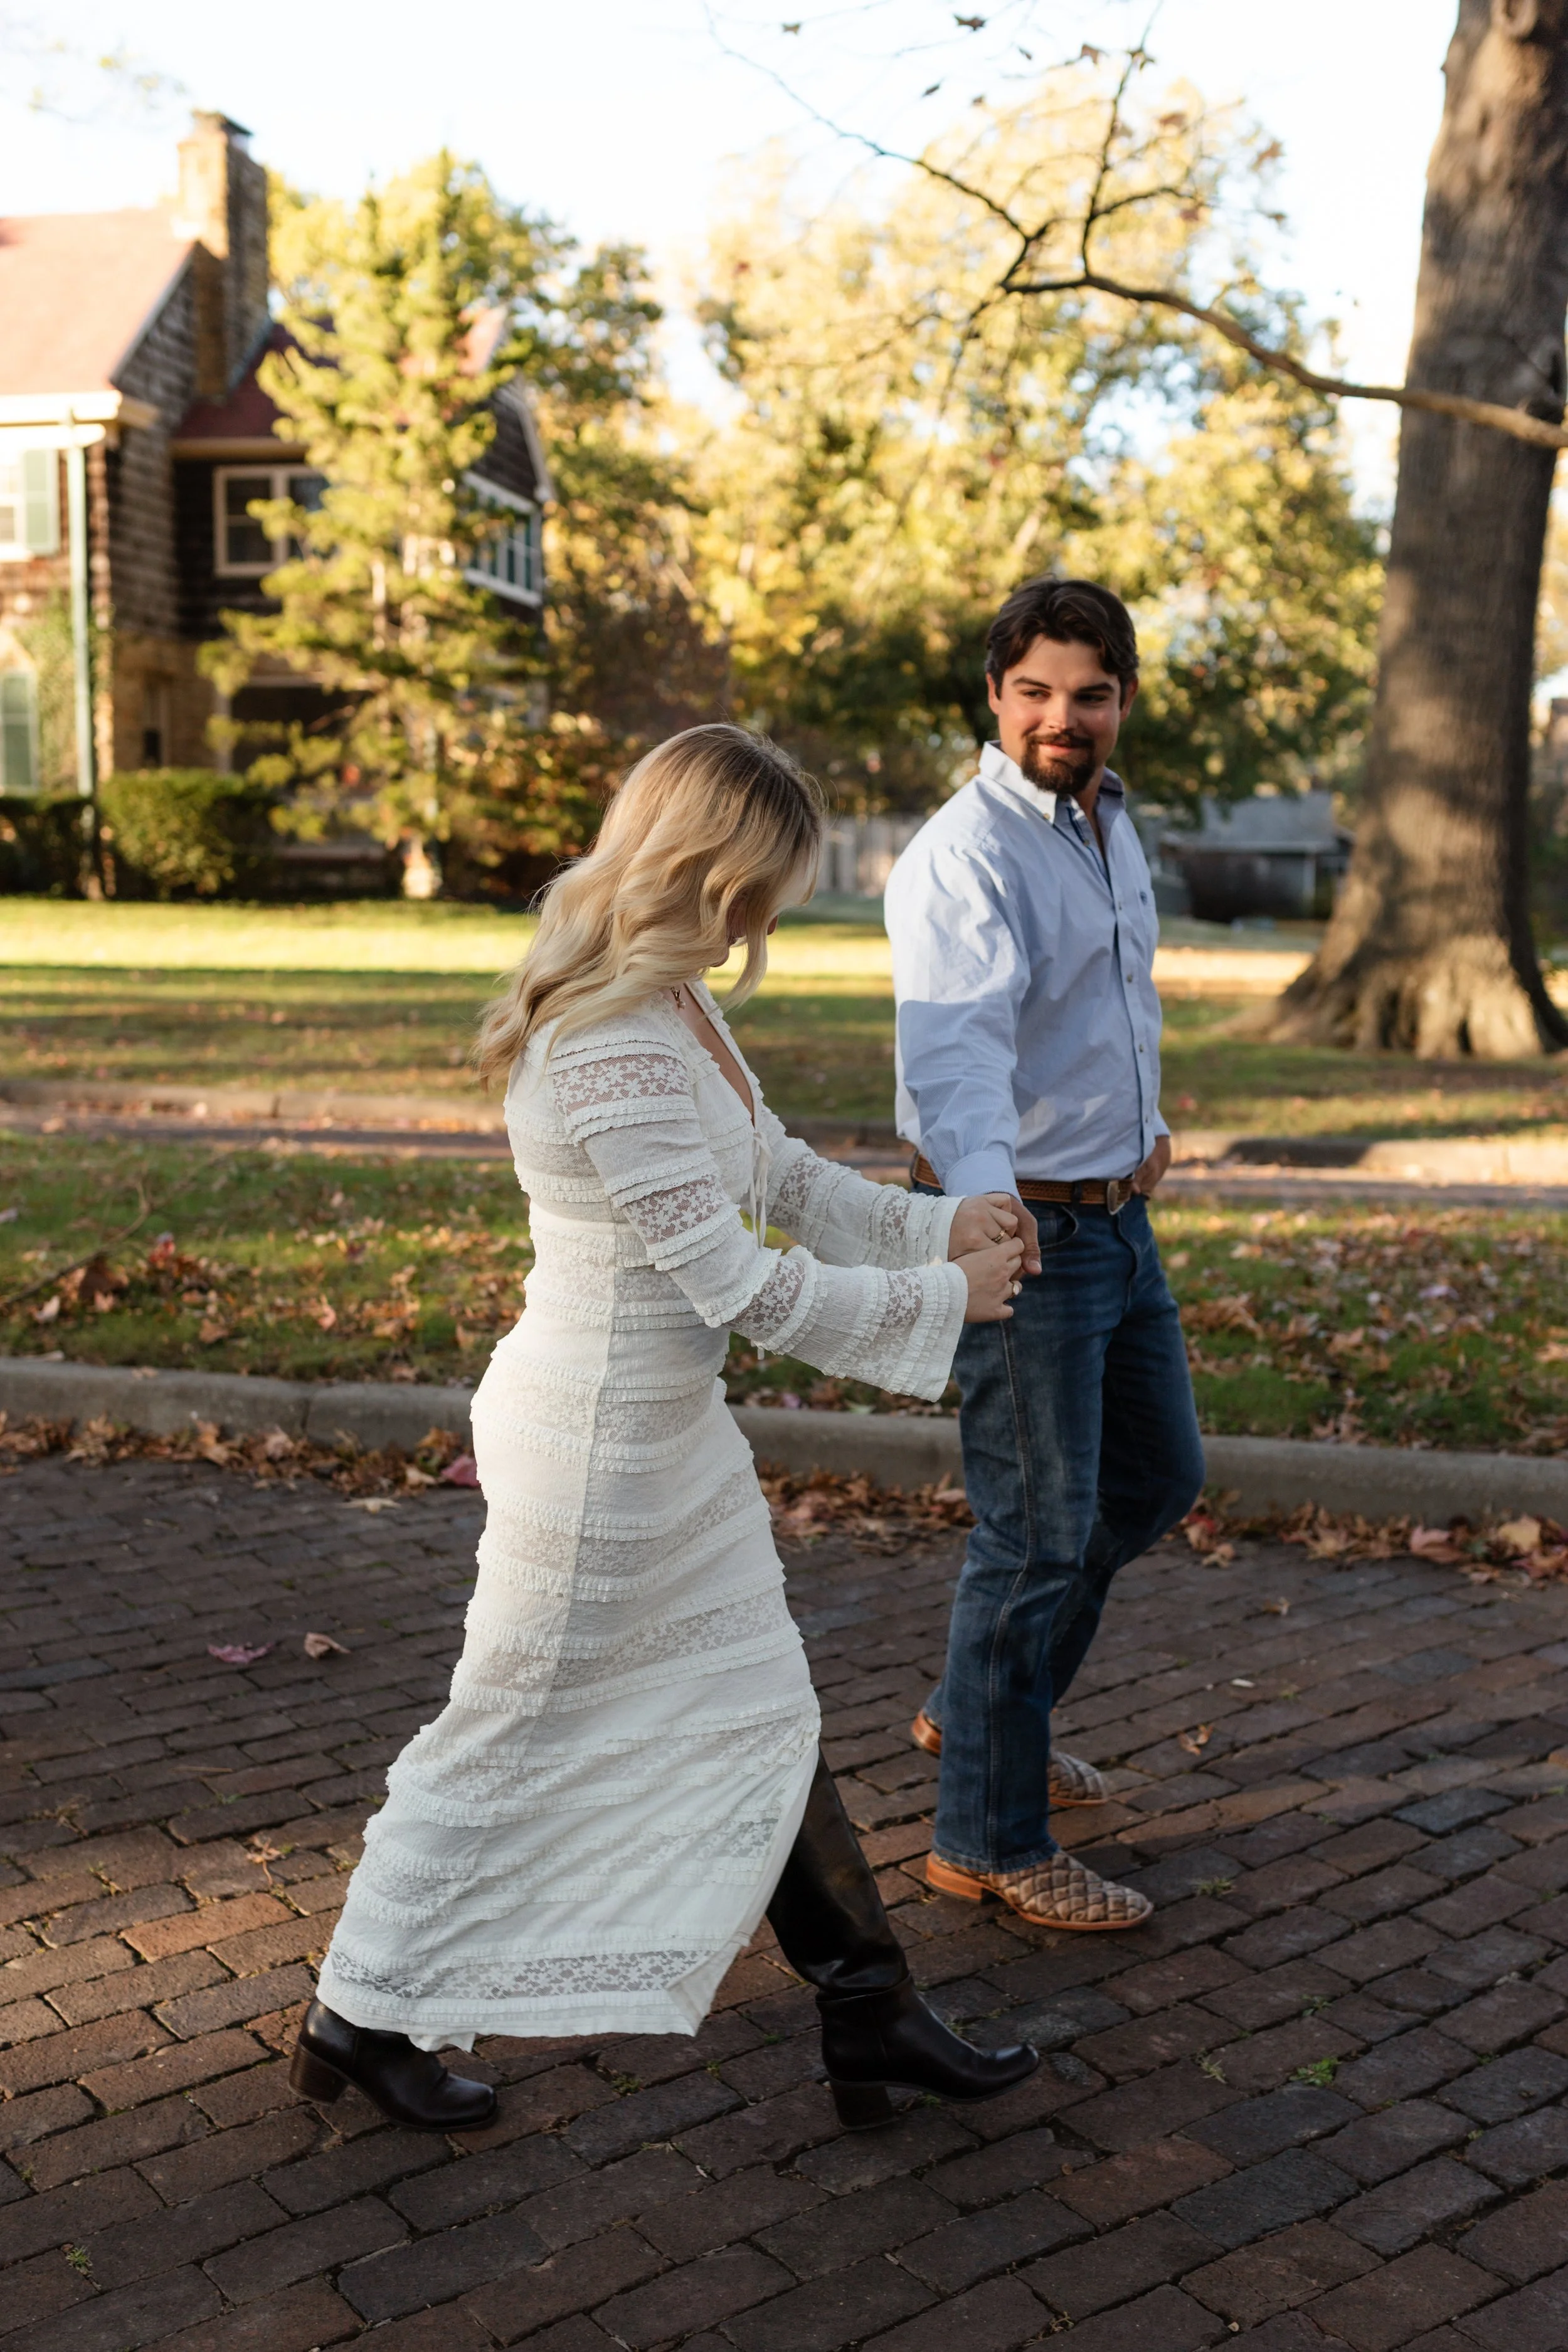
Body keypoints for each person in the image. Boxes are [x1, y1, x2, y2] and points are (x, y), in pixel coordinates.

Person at [292, 722, 1039, 2133]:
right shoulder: (610, 1044)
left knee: (762, 1708)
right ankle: (356, 2012)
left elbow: (787, 1180)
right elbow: (736, 1282)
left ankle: (868, 2007)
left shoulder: (680, 1008)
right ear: (695, 867)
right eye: (752, 887)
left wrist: (942, 1223)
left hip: (665, 1435)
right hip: (590, 1450)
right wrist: (940, 1296)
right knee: (500, 1729)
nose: (763, 919)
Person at [885, 575, 1206, 1934]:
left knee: (1152, 1477)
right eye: (1033, 693)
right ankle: (989, 1841)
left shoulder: (1105, 824)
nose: (1059, 719)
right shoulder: (964, 854)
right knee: (1031, 1541)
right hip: (1025, 1231)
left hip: (1114, 1219)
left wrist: (1146, 1126)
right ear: (994, 698)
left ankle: (978, 1714)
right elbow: (953, 1050)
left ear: (1119, 701)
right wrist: (980, 1217)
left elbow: (1102, 1011)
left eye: (1086, 695)